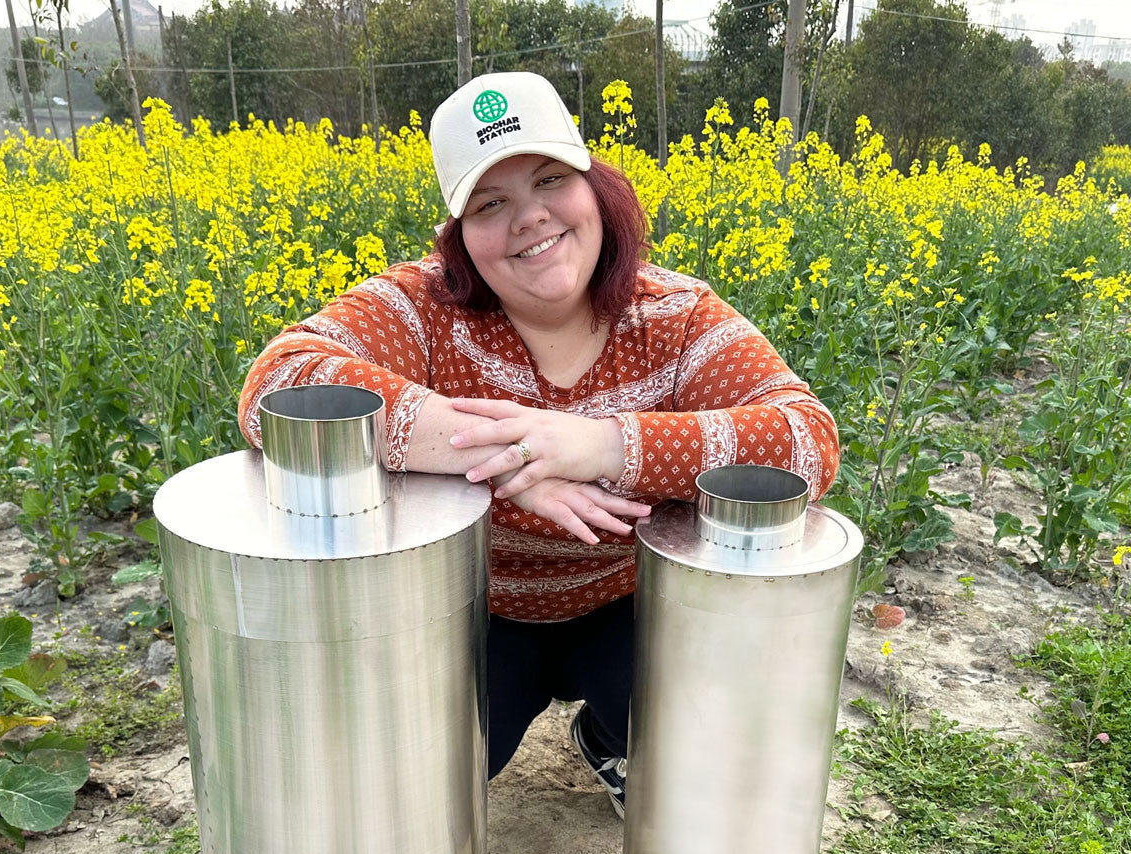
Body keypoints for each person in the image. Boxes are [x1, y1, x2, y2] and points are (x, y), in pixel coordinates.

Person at [237, 72, 840, 815]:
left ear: (597, 192)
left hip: (633, 604)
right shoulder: (426, 310)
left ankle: (607, 735)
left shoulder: (677, 317)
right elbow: (276, 385)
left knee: (701, 768)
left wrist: (601, 446)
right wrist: (512, 461)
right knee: (412, 789)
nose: (529, 219)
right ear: (459, 239)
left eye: (550, 179)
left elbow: (806, 441)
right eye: (490, 204)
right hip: (471, 609)